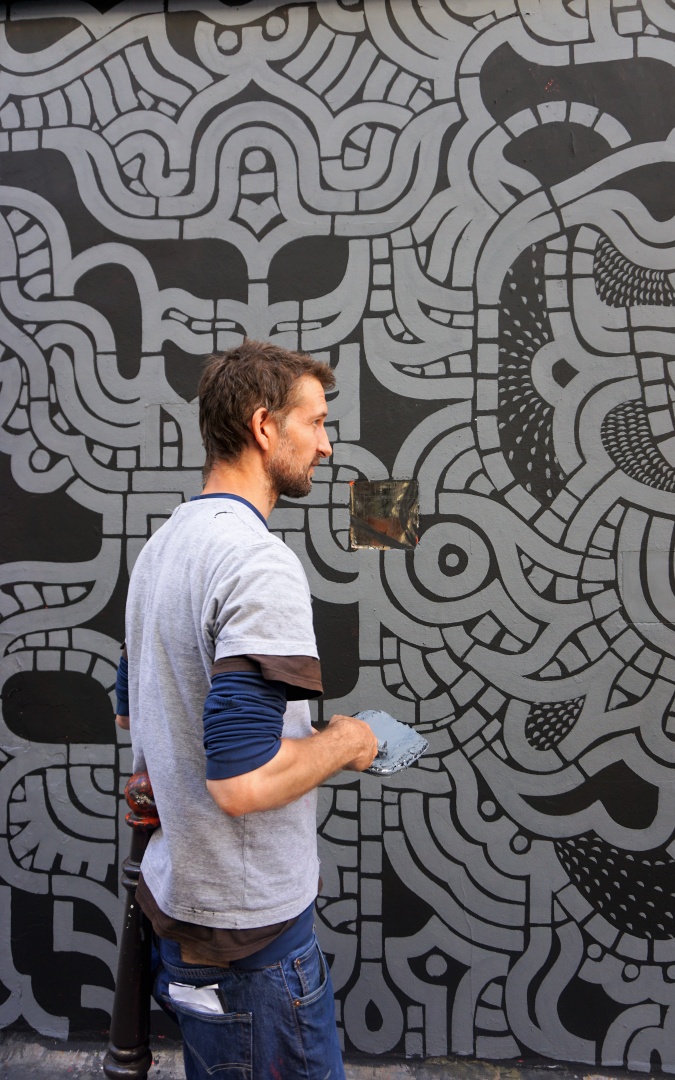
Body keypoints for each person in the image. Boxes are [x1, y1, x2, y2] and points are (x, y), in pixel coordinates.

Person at [114, 340, 378, 1080]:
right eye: (315, 422)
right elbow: (242, 782)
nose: (326, 445)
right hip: (250, 943)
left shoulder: (163, 549)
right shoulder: (258, 562)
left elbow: (134, 717)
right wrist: (348, 740)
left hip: (182, 910)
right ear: (265, 427)